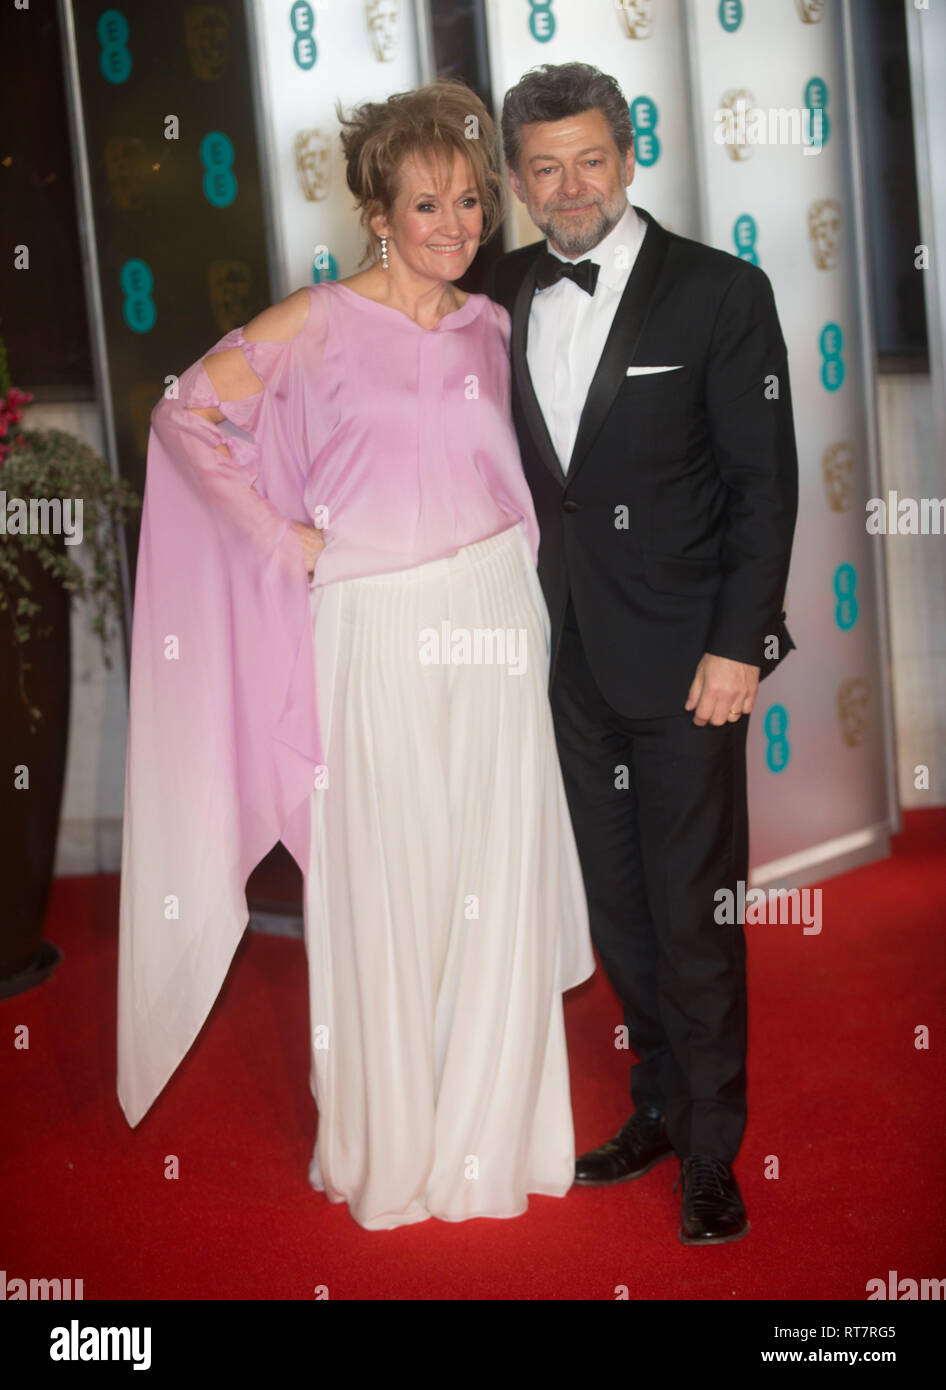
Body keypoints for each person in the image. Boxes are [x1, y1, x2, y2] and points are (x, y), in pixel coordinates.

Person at [116, 78, 595, 1231]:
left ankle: (493, 1133)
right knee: (387, 880)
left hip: (489, 616)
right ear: (379, 213)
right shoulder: (318, 320)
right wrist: (282, 537)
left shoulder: (492, 328)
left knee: (491, 880)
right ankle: (390, 1138)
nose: (457, 226)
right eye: (428, 205)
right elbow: (183, 415)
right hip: (370, 626)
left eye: (473, 204)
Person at [490, 62, 799, 1244]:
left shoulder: (720, 293)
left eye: (588, 160)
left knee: (693, 909)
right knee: (617, 910)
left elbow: (762, 489)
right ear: (516, 181)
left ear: (628, 157)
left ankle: (712, 1151)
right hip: (560, 664)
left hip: (687, 669)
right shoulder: (502, 291)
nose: (568, 186)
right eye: (542, 167)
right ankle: (658, 1104)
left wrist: (738, 647)